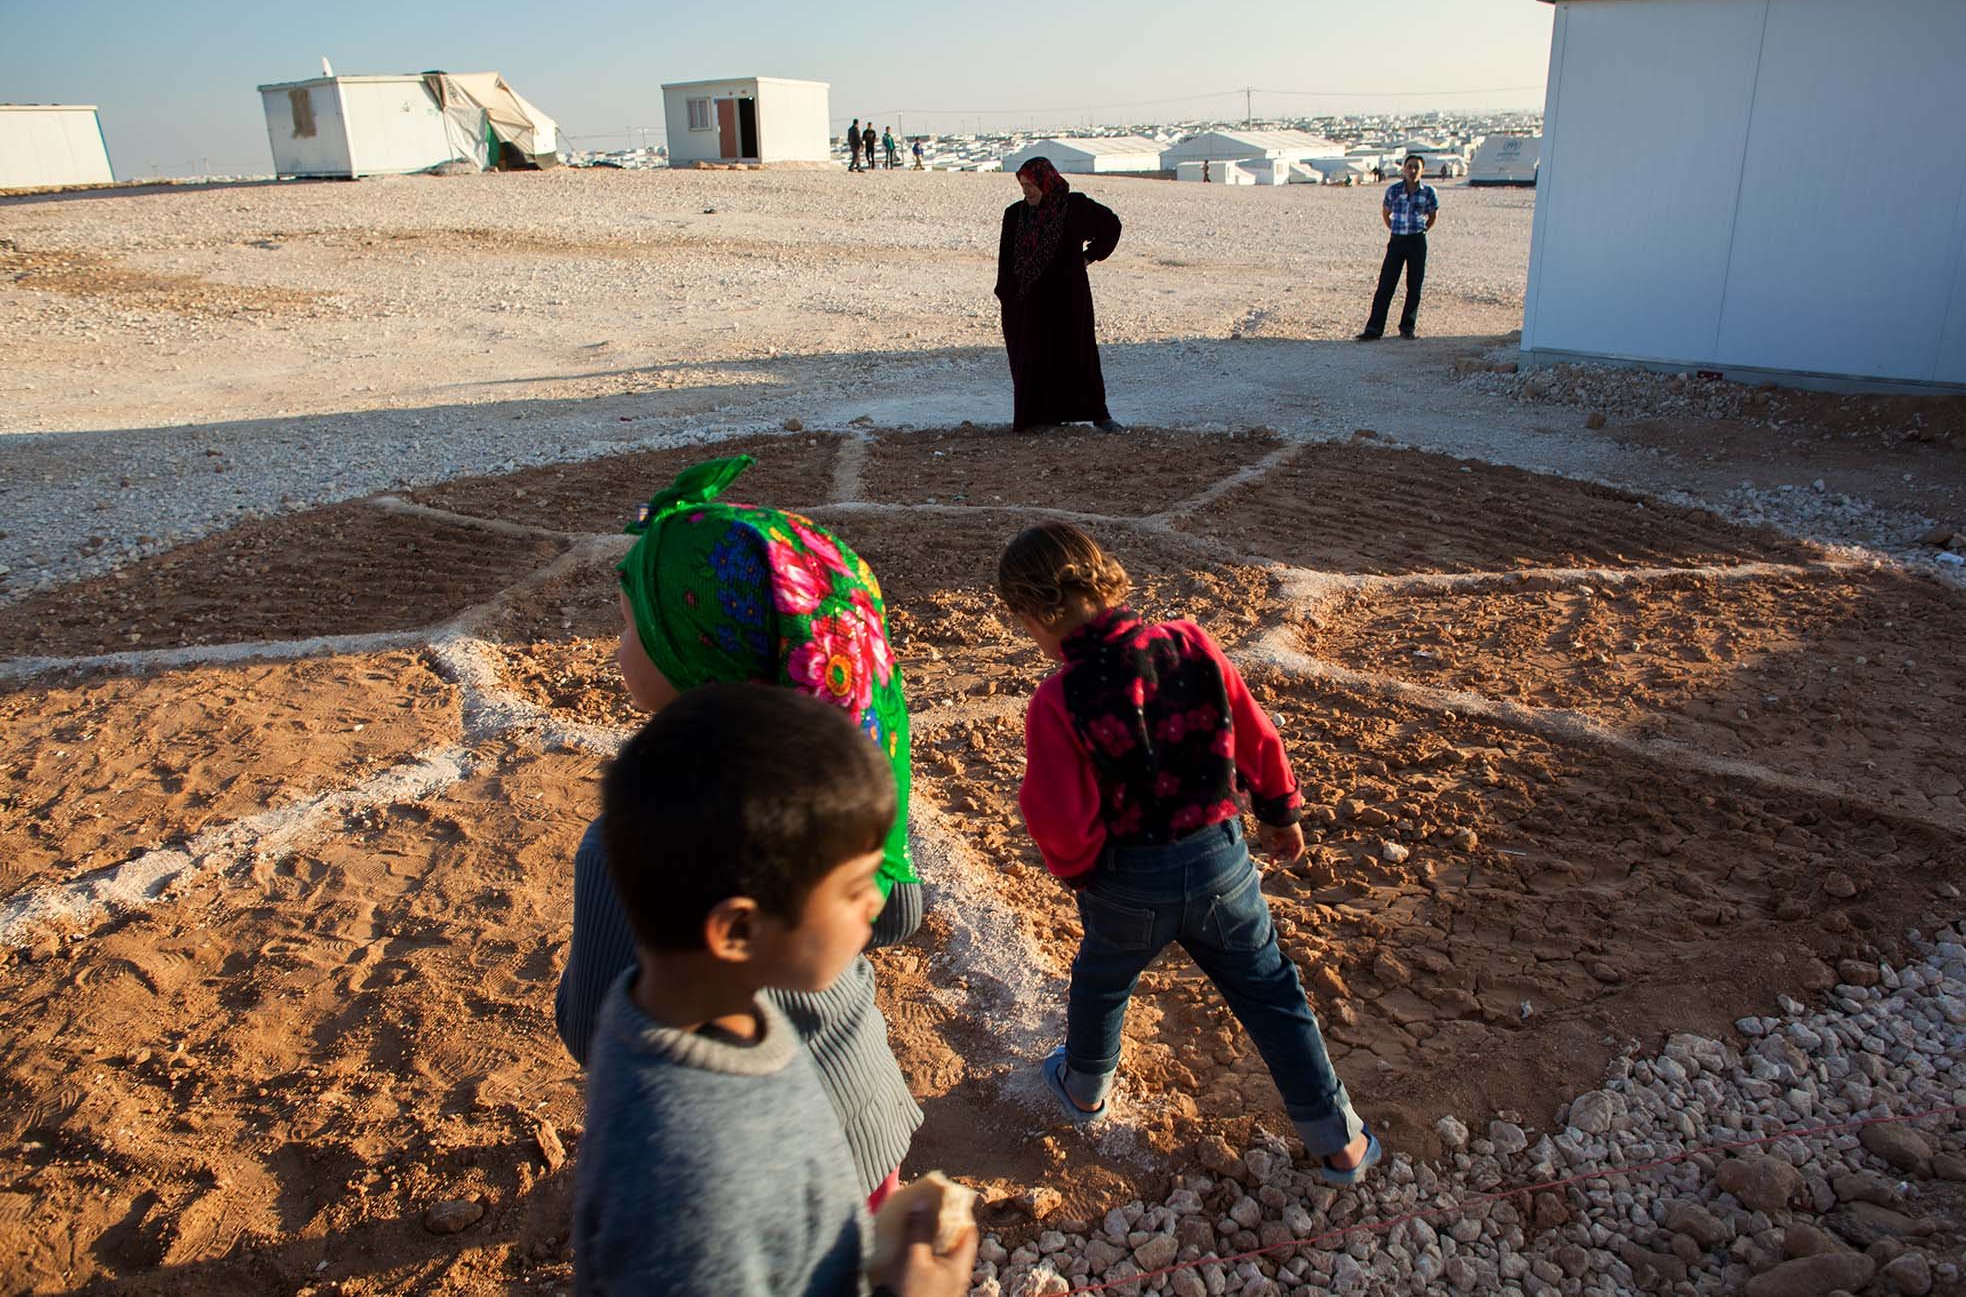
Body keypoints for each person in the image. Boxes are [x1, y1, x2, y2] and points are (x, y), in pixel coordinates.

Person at [555, 454, 926, 1212]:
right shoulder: (850, 776)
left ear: (699, 664)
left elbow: (590, 1024)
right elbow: (900, 912)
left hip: (730, 1170)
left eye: (631, 625)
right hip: (861, 1120)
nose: (616, 648)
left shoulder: (631, 840)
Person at [995, 521, 1382, 1186]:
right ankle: (1339, 1141)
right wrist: (1280, 811)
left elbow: (1055, 811)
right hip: (1220, 861)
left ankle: (1085, 1087)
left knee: (1102, 979)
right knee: (1270, 990)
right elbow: (1256, 732)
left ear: (1035, 614)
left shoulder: (1058, 697)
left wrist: (1083, 871)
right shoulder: (1190, 641)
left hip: (1126, 879)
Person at [571, 683, 977, 1297]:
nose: (877, 901)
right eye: (854, 887)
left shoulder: (719, 1008)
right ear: (738, 930)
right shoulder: (696, 1185)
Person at [995, 157, 1127, 434]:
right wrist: (1007, 294)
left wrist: (1089, 256)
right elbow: (1006, 259)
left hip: (1068, 299)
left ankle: (1098, 415)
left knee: (1078, 354)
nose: (1027, 192)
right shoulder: (1015, 214)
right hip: (1028, 302)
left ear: (1047, 182)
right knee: (1034, 357)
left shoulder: (1074, 207)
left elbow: (1110, 226)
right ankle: (1041, 418)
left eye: (1031, 185)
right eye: (1023, 186)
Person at [1356, 154, 1439, 341]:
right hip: (1397, 241)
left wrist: (1424, 229)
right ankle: (1374, 329)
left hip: (1417, 240)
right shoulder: (1393, 190)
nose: (1412, 171)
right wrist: (1393, 229)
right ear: (1404, 169)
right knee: (1386, 284)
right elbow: (1386, 213)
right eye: (1409, 167)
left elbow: (1433, 215)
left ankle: (1407, 327)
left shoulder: (1428, 192)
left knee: (1414, 285)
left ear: (1422, 170)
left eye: (1416, 167)